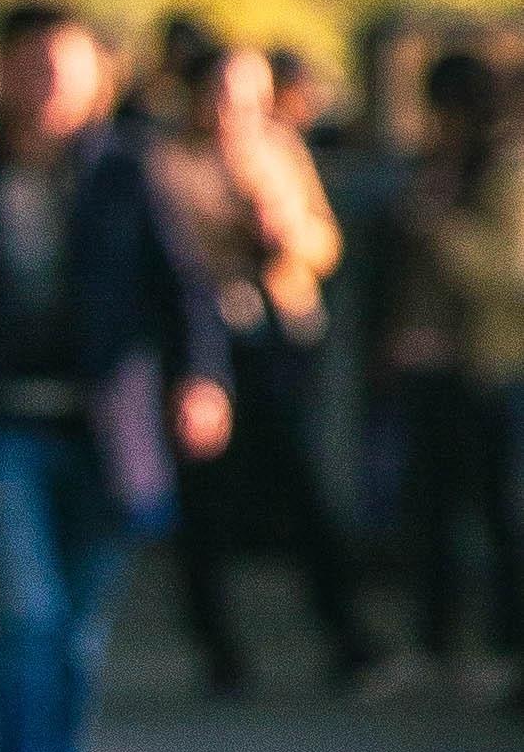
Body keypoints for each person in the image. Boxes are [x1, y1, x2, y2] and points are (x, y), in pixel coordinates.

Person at [0, 1, 230, 752]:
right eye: (30, 65)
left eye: (62, 67)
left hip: (107, 432)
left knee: (78, 631)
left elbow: (183, 287)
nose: (45, 85)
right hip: (7, 426)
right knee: (27, 616)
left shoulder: (123, 170)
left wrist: (202, 378)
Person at [152, 36, 380, 695]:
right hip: (204, 342)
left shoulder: (280, 153)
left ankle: (347, 635)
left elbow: (323, 242)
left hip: (277, 337)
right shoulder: (165, 163)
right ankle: (218, 647)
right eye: (224, 94)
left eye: (252, 94)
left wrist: (285, 235)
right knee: (206, 500)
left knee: (301, 485)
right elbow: (165, 258)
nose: (237, 108)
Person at [389, 48, 524, 691]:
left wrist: (440, 226)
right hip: (429, 361)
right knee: (431, 508)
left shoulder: (508, 171)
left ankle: (506, 646)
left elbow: (508, 273)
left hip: (491, 365)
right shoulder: (436, 167)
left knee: (499, 511)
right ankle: (433, 642)